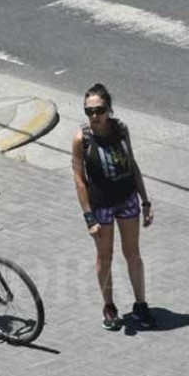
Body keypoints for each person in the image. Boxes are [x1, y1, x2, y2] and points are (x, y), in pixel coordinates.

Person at [70, 83, 157, 331]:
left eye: (99, 110)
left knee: (133, 253)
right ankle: (109, 306)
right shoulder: (81, 139)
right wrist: (89, 217)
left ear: (109, 109)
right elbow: (79, 179)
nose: (95, 116)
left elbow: (132, 163)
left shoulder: (120, 129)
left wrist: (145, 200)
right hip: (101, 207)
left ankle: (141, 305)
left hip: (127, 199)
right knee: (104, 256)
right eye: (89, 111)